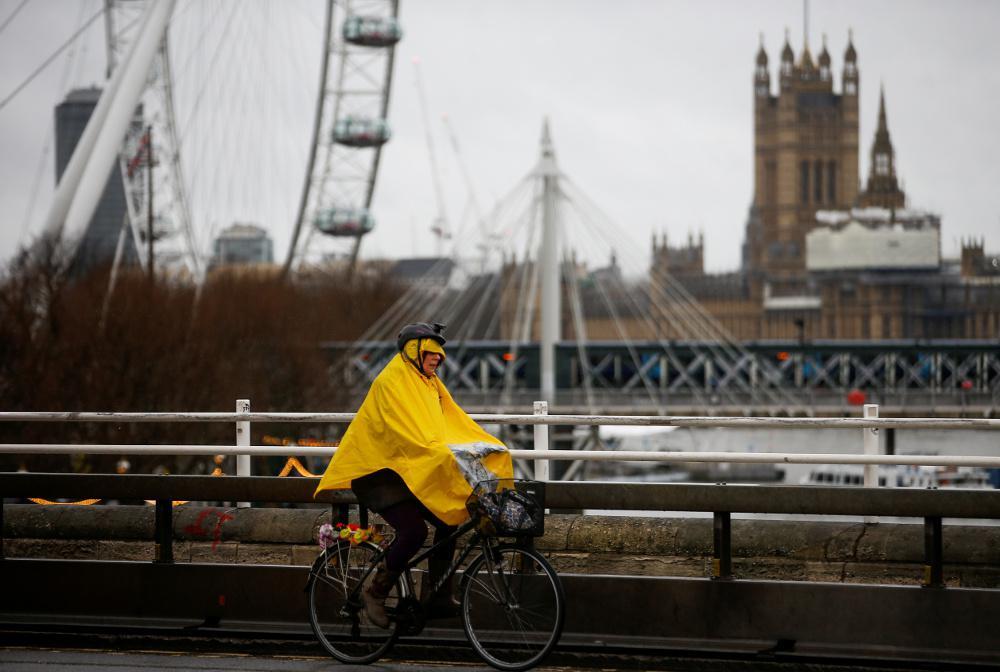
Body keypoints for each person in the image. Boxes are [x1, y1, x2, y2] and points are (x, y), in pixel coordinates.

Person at [314, 322, 513, 628]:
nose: (438, 358)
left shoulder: (429, 382)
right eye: (432, 352)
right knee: (414, 532)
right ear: (413, 350)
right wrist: (441, 454)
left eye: (440, 353)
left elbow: (453, 422)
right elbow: (409, 436)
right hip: (379, 474)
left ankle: (438, 595)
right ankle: (375, 592)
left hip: (408, 471)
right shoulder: (391, 382)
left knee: (451, 518)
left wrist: (484, 446)